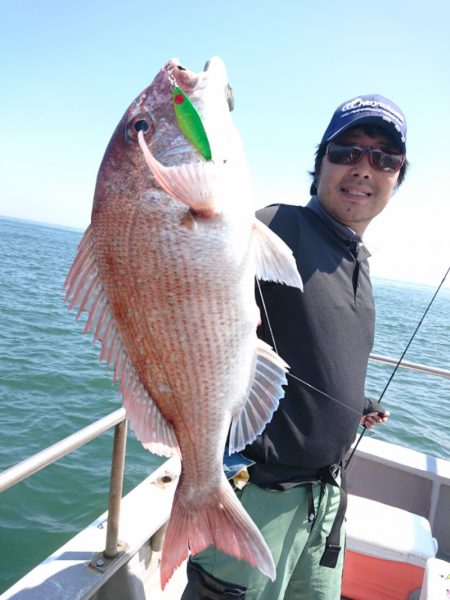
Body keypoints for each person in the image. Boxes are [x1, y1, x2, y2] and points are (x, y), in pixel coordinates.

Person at [181, 94, 408, 599]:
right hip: (258, 494)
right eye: (346, 151)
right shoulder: (273, 226)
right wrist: (194, 112)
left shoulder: (357, 260)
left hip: (325, 499)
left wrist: (355, 406)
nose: (364, 168)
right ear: (319, 163)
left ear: (397, 177)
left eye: (384, 159)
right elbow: (194, 240)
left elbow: (315, 350)